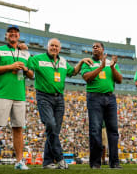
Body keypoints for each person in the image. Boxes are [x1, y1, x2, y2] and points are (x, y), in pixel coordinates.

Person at [27, 38, 91, 169]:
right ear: (47, 47)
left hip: (59, 98)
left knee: (54, 131)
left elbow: (72, 72)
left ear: (59, 49)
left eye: (56, 46)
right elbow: (29, 69)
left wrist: (81, 62)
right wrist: (23, 52)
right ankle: (60, 158)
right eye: (52, 45)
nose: (54, 48)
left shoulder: (62, 61)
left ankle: (47, 162)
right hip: (44, 96)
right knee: (50, 125)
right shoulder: (38, 58)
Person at [0, 25, 33, 171]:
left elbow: (31, 74)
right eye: (10, 32)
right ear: (6, 35)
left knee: (18, 129)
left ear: (19, 35)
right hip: (2, 94)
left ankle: (19, 161)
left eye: (15, 33)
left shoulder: (25, 53)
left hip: (20, 95)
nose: (13, 34)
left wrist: (25, 69)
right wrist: (11, 67)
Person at [81, 42, 123, 169]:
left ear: (103, 49)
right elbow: (86, 77)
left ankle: (114, 162)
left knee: (113, 131)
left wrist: (112, 67)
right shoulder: (88, 62)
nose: (94, 48)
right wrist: (100, 67)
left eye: (97, 46)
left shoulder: (111, 63)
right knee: (95, 130)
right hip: (94, 97)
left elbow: (119, 80)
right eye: (93, 46)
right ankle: (95, 163)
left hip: (110, 98)